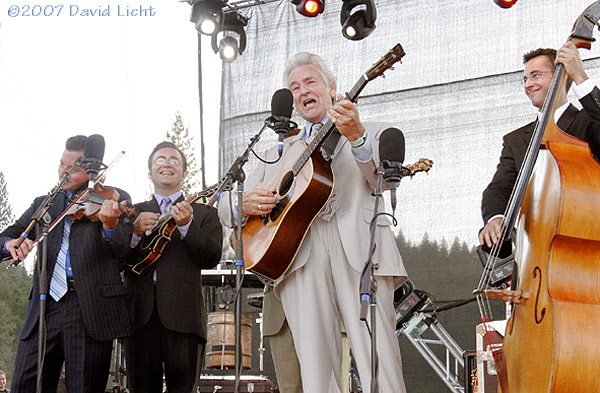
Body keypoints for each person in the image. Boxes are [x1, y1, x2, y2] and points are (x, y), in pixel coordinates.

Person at [219, 52, 407, 393]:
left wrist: (358, 137)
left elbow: (380, 181)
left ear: (332, 89)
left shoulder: (373, 131)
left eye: (310, 82)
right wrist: (241, 203)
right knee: (316, 373)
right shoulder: (279, 150)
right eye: (294, 87)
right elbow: (224, 204)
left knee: (379, 360)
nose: (302, 90)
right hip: (298, 255)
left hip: (360, 251)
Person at [0, 135, 134, 393]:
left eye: (74, 168)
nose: (64, 172)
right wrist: (10, 245)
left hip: (88, 308)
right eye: (62, 164)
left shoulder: (112, 198)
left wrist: (110, 226)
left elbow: (123, 251)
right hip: (45, 303)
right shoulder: (45, 204)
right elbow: (6, 237)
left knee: (83, 387)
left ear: (93, 169)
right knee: (24, 385)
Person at [123, 141, 222, 393]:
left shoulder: (203, 213)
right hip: (139, 319)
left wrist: (188, 226)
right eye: (160, 160)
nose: (167, 164)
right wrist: (134, 233)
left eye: (175, 160)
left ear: (184, 173)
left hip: (184, 319)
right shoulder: (133, 212)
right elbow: (119, 260)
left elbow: (211, 258)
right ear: (149, 171)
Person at [480, 42, 600, 248]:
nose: (527, 84)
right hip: (536, 248)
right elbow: (499, 188)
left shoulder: (588, 121)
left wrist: (580, 76)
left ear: (562, 75)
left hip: (588, 237)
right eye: (525, 79)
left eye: (536, 75)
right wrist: (495, 218)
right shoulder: (515, 140)